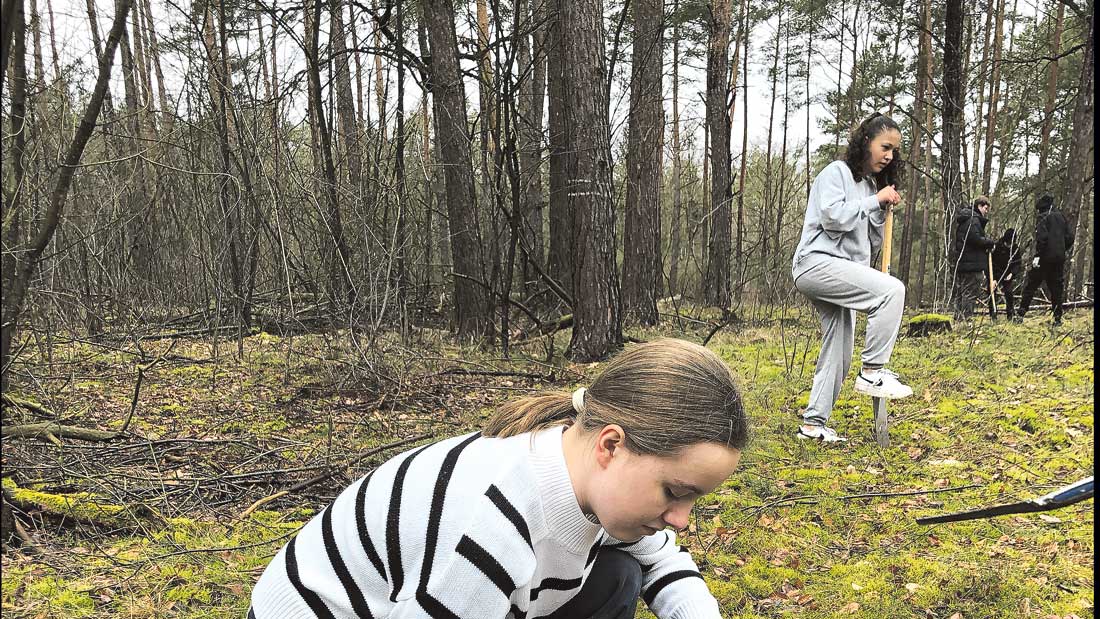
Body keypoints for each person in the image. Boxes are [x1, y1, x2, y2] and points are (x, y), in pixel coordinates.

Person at [248, 338, 749, 619]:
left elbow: (666, 565)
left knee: (617, 574)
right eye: (675, 493)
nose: (680, 520)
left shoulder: (586, 477)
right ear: (611, 446)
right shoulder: (491, 517)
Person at [790, 113, 913, 445]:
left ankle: (813, 426)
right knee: (891, 291)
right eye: (885, 147)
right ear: (866, 142)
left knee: (839, 351)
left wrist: (880, 212)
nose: (889, 155)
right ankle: (872, 372)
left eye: (894, 150)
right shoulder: (837, 173)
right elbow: (832, 218)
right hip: (815, 263)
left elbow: (869, 243)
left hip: (840, 270)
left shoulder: (871, 186)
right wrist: (874, 200)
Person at [1017, 194, 1075, 326]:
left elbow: (1042, 238)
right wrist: (1061, 249)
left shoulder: (1043, 217)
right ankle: (1057, 318)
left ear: (1041, 208)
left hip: (1044, 257)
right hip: (1059, 258)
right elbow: (1070, 237)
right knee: (1056, 288)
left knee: (1031, 284)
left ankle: (1021, 313)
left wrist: (1038, 256)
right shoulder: (1061, 217)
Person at [949, 196, 996, 321]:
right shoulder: (973, 220)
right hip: (971, 264)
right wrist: (989, 242)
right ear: (979, 206)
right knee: (969, 293)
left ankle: (959, 319)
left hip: (964, 263)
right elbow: (975, 239)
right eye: (985, 208)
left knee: (962, 292)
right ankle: (966, 320)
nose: (986, 211)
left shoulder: (967, 219)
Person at [990, 228, 1024, 320]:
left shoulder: (1015, 248)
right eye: (1008, 244)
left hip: (1008, 274)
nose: (1010, 246)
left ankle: (1010, 315)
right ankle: (993, 315)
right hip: (996, 273)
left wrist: (1012, 273)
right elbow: (991, 263)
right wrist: (993, 278)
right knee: (992, 292)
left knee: (1009, 293)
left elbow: (1018, 263)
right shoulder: (997, 247)